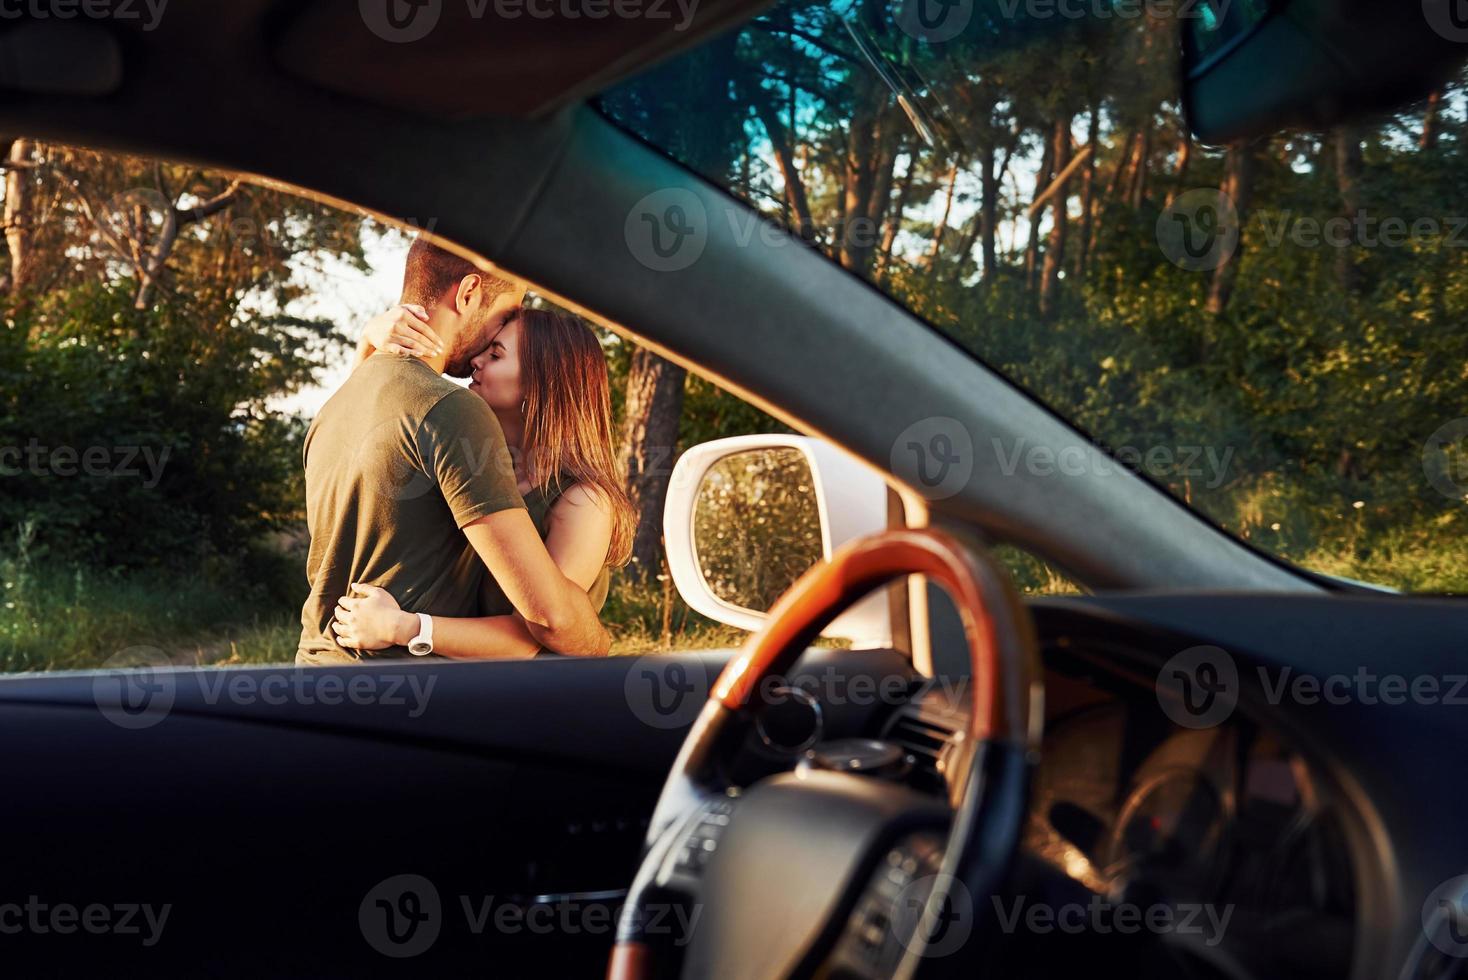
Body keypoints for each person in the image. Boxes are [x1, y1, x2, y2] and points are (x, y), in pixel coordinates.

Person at [296, 237, 609, 664]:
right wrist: (597, 644)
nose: (482, 353)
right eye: (504, 317)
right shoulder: (451, 411)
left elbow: (539, 628)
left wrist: (370, 346)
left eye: (498, 352)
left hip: (313, 672)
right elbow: (551, 620)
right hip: (400, 694)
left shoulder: (335, 407)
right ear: (467, 293)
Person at [330, 305, 635, 658]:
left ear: (542, 379)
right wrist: (369, 341)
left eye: (496, 354)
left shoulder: (583, 501)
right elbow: (361, 437)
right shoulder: (483, 463)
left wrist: (402, 627)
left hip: (539, 699)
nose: (476, 360)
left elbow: (529, 639)